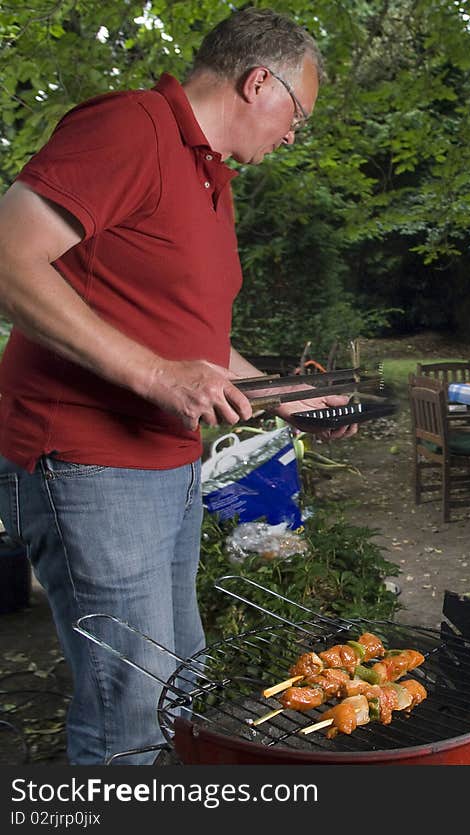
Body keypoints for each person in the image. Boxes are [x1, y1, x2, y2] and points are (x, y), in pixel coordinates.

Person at [0, 8, 353, 765]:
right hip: (90, 460)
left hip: (167, 466)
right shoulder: (131, 129)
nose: (293, 135)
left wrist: (289, 394)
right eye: (297, 115)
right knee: (131, 707)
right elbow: (8, 257)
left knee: (178, 683)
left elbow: (191, 337)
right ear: (260, 82)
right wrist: (156, 376)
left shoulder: (209, 177)